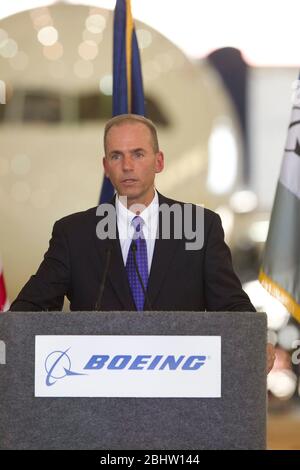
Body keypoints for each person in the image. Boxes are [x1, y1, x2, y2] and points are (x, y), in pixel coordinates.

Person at [10, 114, 275, 372]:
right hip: (97, 395)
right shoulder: (74, 233)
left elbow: (230, 304)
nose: (127, 166)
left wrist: (255, 339)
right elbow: (30, 309)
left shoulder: (199, 226)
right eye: (117, 156)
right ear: (105, 167)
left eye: (137, 154)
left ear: (158, 162)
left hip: (180, 391)